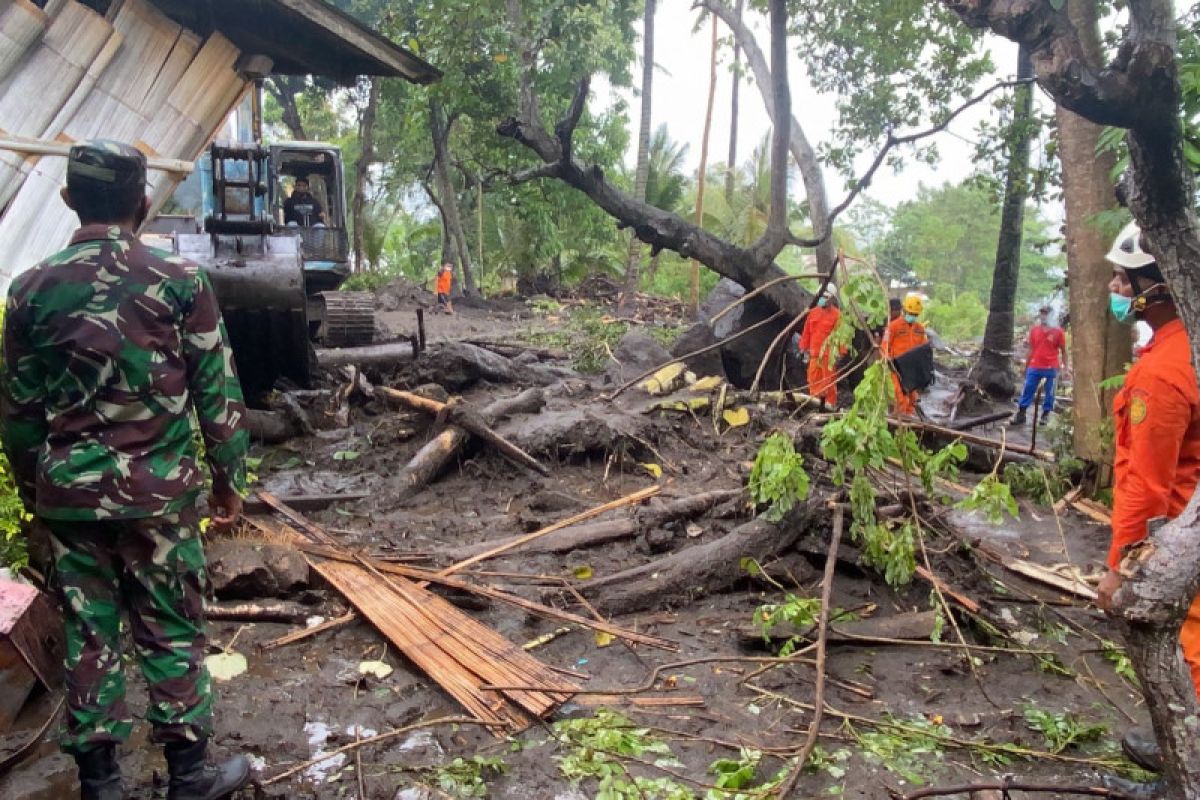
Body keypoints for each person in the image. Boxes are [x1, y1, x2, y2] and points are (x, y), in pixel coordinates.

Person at [0, 141, 251, 800]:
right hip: (159, 495)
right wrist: (228, 480)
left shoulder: (28, 291)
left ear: (67, 200)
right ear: (143, 203)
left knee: (89, 631)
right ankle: (191, 776)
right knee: (170, 626)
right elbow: (217, 393)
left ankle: (101, 783)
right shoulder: (179, 281)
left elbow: (19, 414)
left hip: (70, 497)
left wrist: (36, 491)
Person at [1093, 221, 1200, 797]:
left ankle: (1185, 780)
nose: (1114, 284)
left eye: (1121, 276)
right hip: (1189, 530)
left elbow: (1148, 485)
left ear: (1153, 286)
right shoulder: (1180, 347)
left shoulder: (1162, 373)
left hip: (1179, 542)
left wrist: (1120, 567)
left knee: (1191, 659)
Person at [1010, 305, 1069, 425]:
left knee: (1050, 392)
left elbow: (1063, 351)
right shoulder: (1035, 330)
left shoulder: (1058, 332)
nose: (1043, 316)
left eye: (1046, 313)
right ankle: (1021, 414)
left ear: (1052, 315)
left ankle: (1045, 415)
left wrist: (1065, 368)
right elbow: (1031, 349)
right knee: (1028, 389)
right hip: (1035, 365)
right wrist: (1026, 366)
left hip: (1051, 367)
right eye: (1042, 313)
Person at [883, 293, 929, 416]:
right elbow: (885, 346)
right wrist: (887, 361)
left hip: (911, 370)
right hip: (895, 368)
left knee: (911, 401)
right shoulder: (893, 327)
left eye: (915, 315)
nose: (912, 316)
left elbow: (923, 349)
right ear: (904, 310)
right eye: (911, 313)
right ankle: (899, 426)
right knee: (899, 398)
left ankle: (908, 425)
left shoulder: (920, 329)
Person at [798, 291, 842, 406]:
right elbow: (806, 332)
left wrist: (840, 353)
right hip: (814, 355)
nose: (823, 299)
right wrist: (803, 348)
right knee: (813, 381)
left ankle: (830, 407)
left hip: (829, 357)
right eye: (821, 296)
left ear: (832, 299)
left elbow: (841, 337)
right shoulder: (812, 313)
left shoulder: (837, 315)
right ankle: (815, 406)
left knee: (829, 384)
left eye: (826, 297)